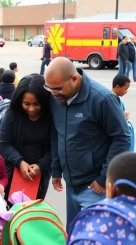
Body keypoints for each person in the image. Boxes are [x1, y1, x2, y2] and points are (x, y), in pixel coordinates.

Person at [44, 57, 130, 232]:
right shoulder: (57, 98)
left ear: (74, 78)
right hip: (71, 185)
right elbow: (57, 132)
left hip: (94, 188)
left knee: (93, 242)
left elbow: (122, 138)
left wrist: (103, 177)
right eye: (50, 88)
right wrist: (57, 168)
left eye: (58, 88)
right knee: (74, 236)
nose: (53, 93)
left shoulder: (102, 99)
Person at [0, 74, 52, 201]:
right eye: (26, 104)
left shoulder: (52, 116)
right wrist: (20, 162)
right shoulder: (11, 115)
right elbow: (4, 143)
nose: (31, 109)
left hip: (40, 174)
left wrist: (42, 165)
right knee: (13, 213)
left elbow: (56, 146)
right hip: (13, 171)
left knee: (32, 213)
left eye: (36, 104)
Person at [111, 74, 134, 152]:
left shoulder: (118, 100)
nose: (126, 91)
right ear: (117, 87)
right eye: (125, 89)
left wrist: (123, 115)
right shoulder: (109, 100)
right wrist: (122, 117)